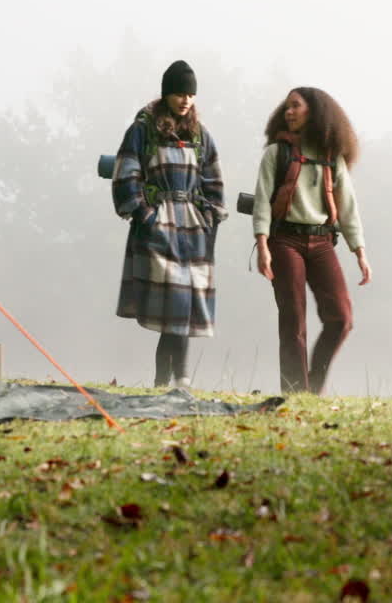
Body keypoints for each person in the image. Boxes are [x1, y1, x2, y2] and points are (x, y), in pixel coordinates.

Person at [112, 60, 226, 388]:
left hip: (192, 228)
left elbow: (214, 180)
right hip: (159, 225)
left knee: (185, 304)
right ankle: (174, 378)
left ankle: (174, 380)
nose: (185, 100)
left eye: (190, 94)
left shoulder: (200, 135)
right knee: (173, 305)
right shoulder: (142, 130)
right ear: (166, 94)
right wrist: (144, 215)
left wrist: (209, 217)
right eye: (179, 93)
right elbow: (126, 173)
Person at [251, 87, 371, 394]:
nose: (289, 112)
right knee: (293, 321)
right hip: (284, 240)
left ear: (314, 112)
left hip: (321, 243)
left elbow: (348, 207)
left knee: (341, 318)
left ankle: (313, 385)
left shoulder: (333, 159)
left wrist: (359, 251)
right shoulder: (277, 153)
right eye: (286, 107)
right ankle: (294, 392)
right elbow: (262, 201)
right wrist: (263, 245)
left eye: (296, 106)